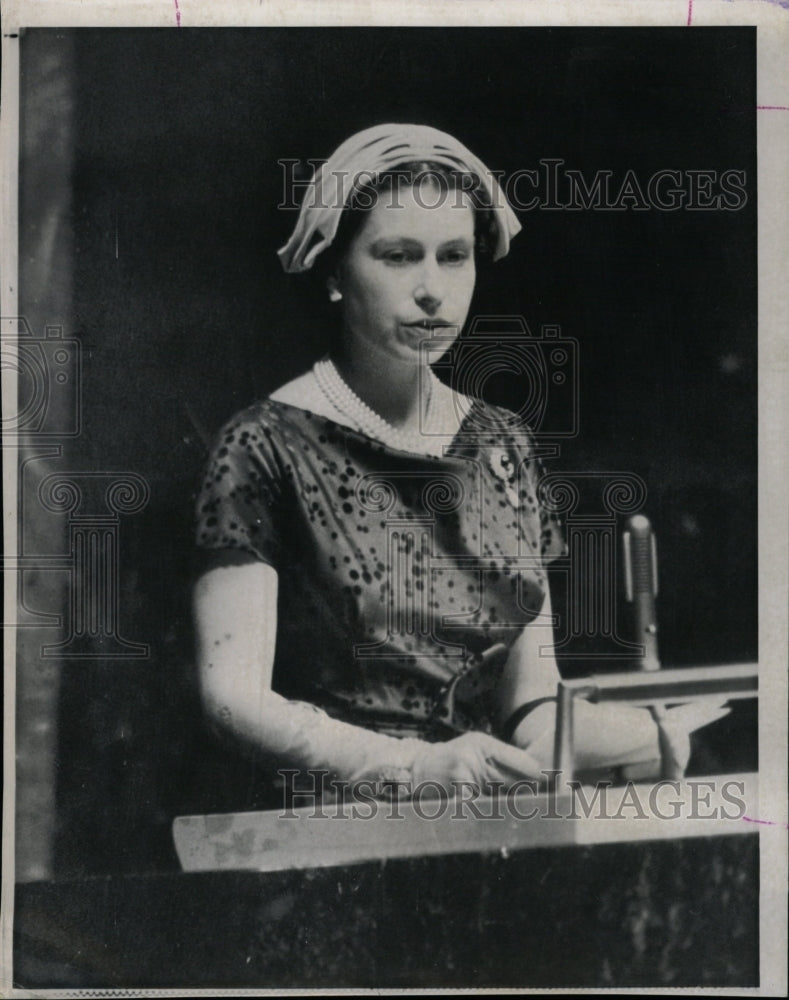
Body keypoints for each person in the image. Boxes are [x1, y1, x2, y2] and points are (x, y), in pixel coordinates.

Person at [192, 123, 721, 804]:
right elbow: (231, 700)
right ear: (332, 273)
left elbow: (529, 712)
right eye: (397, 255)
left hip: (477, 830)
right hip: (318, 841)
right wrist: (410, 769)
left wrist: (641, 733)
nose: (431, 290)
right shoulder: (262, 447)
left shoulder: (503, 446)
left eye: (454, 256)